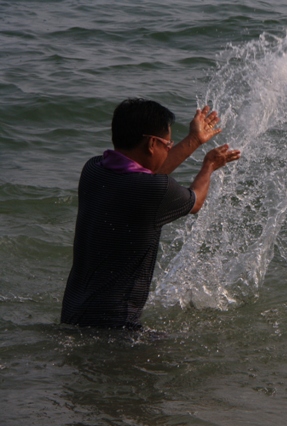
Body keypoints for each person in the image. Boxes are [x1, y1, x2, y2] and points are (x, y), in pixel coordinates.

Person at [61, 98, 241, 328]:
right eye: (167, 144)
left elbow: (146, 177)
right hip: (117, 323)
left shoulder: (93, 170)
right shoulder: (155, 189)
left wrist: (194, 139)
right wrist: (209, 166)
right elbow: (195, 201)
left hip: (73, 313)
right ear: (151, 143)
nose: (169, 149)